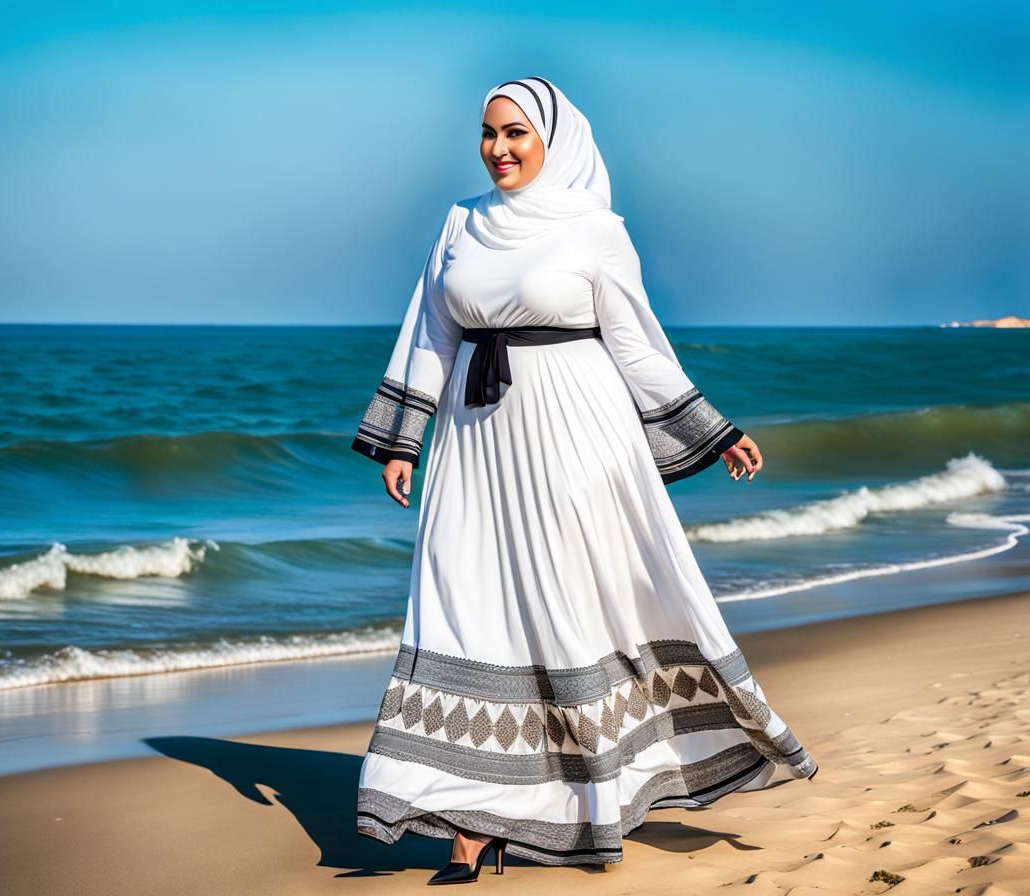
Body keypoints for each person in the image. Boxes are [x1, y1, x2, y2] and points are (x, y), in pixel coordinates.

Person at [350, 75, 817, 885]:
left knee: (564, 611)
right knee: (468, 603)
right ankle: (470, 821)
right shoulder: (460, 221)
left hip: (573, 436)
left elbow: (635, 343)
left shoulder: (596, 230)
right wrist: (404, 439)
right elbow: (429, 328)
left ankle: (589, 793)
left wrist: (715, 429)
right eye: (489, 134)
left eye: (516, 134)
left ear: (553, 140)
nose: (499, 149)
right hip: (473, 441)